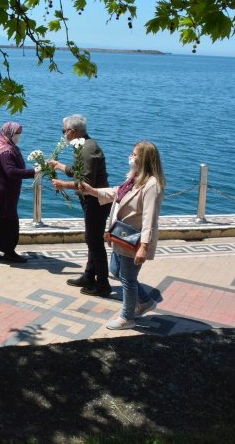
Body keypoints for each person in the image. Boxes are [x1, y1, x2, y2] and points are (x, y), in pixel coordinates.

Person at [79, 140, 165, 330]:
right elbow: (117, 193)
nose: (131, 157)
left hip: (134, 239)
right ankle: (145, 301)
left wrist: (144, 246)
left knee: (127, 278)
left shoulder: (152, 185)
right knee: (116, 271)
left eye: (135, 154)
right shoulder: (135, 178)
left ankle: (127, 317)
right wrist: (93, 191)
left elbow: (150, 218)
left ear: (145, 159)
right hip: (121, 235)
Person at [48, 115, 112, 296]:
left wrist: (62, 184)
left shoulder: (86, 149)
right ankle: (89, 276)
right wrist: (59, 165)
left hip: (96, 201)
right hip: (91, 200)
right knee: (92, 240)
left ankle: (103, 284)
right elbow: (78, 169)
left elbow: (84, 182)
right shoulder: (85, 145)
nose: (63, 135)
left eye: (63, 131)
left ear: (72, 132)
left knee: (95, 242)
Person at [0, 121, 37, 263]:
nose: (19, 136)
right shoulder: (7, 152)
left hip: (0, 191)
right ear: (9, 134)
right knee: (9, 222)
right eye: (17, 134)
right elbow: (11, 172)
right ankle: (8, 252)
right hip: (0, 193)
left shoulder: (6, 147)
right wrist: (35, 172)